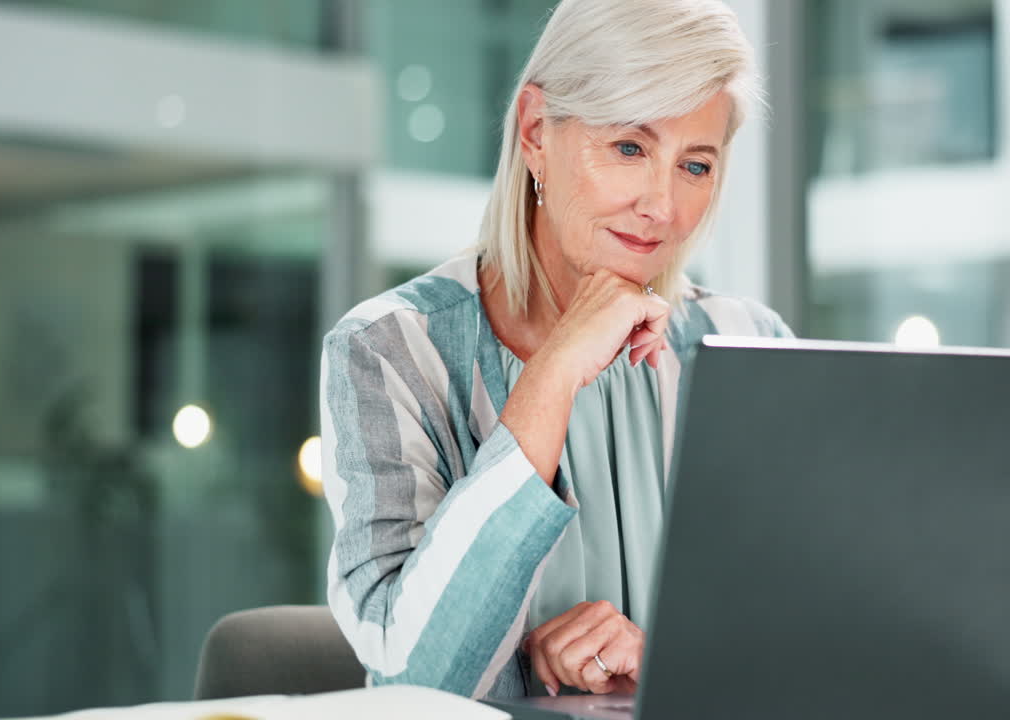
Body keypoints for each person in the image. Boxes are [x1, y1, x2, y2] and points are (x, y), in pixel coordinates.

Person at [320, 0, 791, 701]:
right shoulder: (389, 351)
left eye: (695, 166)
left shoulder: (749, 348)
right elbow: (417, 686)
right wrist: (559, 366)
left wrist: (656, 666)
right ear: (537, 131)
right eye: (630, 148)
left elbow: (813, 643)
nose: (662, 206)